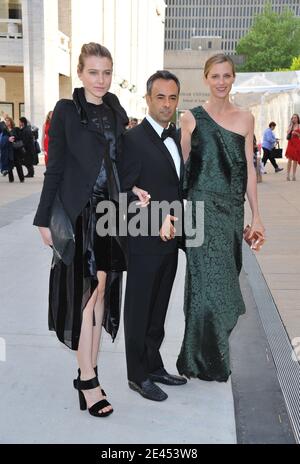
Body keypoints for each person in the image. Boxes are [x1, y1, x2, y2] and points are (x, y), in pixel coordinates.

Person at [33, 42, 136, 417]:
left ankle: (88, 371)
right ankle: (88, 379)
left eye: (106, 72)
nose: (101, 79)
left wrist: (131, 189)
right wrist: (44, 218)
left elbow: (117, 163)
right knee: (86, 296)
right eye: (93, 72)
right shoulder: (66, 111)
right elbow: (55, 167)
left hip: (110, 212)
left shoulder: (115, 110)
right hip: (79, 214)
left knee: (102, 291)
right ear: (80, 73)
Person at [177, 53, 265, 382]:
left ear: (233, 78)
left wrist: (257, 216)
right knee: (203, 287)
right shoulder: (190, 117)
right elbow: (179, 168)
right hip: (200, 208)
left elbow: (249, 171)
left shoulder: (246, 118)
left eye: (226, 75)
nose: (221, 81)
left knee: (225, 287)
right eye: (215, 76)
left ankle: (206, 353)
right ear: (205, 78)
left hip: (231, 211)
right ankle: (202, 360)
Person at [120, 70, 187, 402]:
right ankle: (136, 374)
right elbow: (122, 192)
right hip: (144, 239)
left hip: (170, 240)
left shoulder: (173, 138)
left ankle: (154, 364)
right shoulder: (132, 140)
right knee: (139, 306)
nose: (166, 104)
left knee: (159, 306)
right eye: (160, 97)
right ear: (147, 99)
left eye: (172, 97)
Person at [4, 116, 25, 183]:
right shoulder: (4, 130)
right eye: (6, 121)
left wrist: (14, 138)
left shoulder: (16, 129)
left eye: (8, 120)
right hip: (8, 148)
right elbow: (3, 138)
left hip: (16, 149)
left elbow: (20, 137)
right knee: (9, 163)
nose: (7, 122)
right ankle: (11, 179)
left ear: (11, 121)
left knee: (18, 164)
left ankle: (21, 178)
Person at [285, 113, 300, 181]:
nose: (294, 119)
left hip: (297, 143)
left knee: (295, 160)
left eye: (295, 117)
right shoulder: (291, 125)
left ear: (298, 119)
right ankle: (288, 174)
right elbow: (287, 133)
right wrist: (291, 126)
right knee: (289, 159)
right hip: (290, 143)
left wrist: (296, 133)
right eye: (293, 118)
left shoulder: (299, 126)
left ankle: (293, 175)